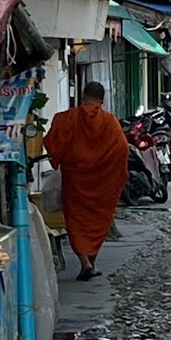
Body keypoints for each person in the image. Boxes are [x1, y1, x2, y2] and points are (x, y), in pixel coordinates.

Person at [43, 82, 128, 281]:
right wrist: (112, 172)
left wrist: (63, 158)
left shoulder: (68, 118)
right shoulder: (109, 121)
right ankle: (89, 263)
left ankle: (86, 263)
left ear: (83, 96)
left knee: (76, 222)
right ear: (102, 99)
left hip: (76, 179)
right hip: (102, 183)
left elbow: (53, 143)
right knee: (97, 222)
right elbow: (123, 149)